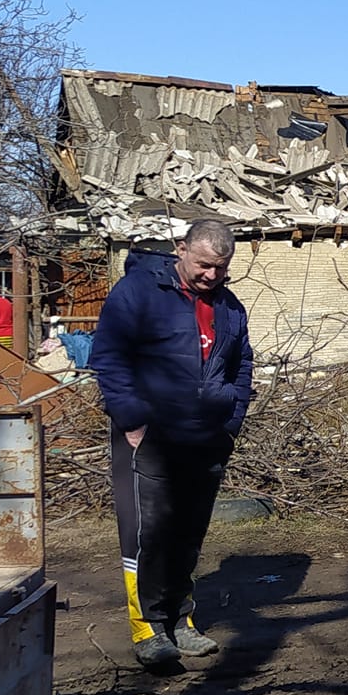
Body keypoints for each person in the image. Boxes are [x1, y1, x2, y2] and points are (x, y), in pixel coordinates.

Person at [89, 219, 253, 671]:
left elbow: (242, 366)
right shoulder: (138, 293)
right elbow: (108, 357)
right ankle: (148, 627)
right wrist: (133, 421)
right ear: (180, 249)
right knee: (147, 531)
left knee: (188, 533)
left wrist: (231, 422)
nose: (212, 276)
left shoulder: (229, 307)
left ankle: (181, 620)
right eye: (204, 265)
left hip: (206, 437)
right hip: (149, 435)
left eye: (221, 268)